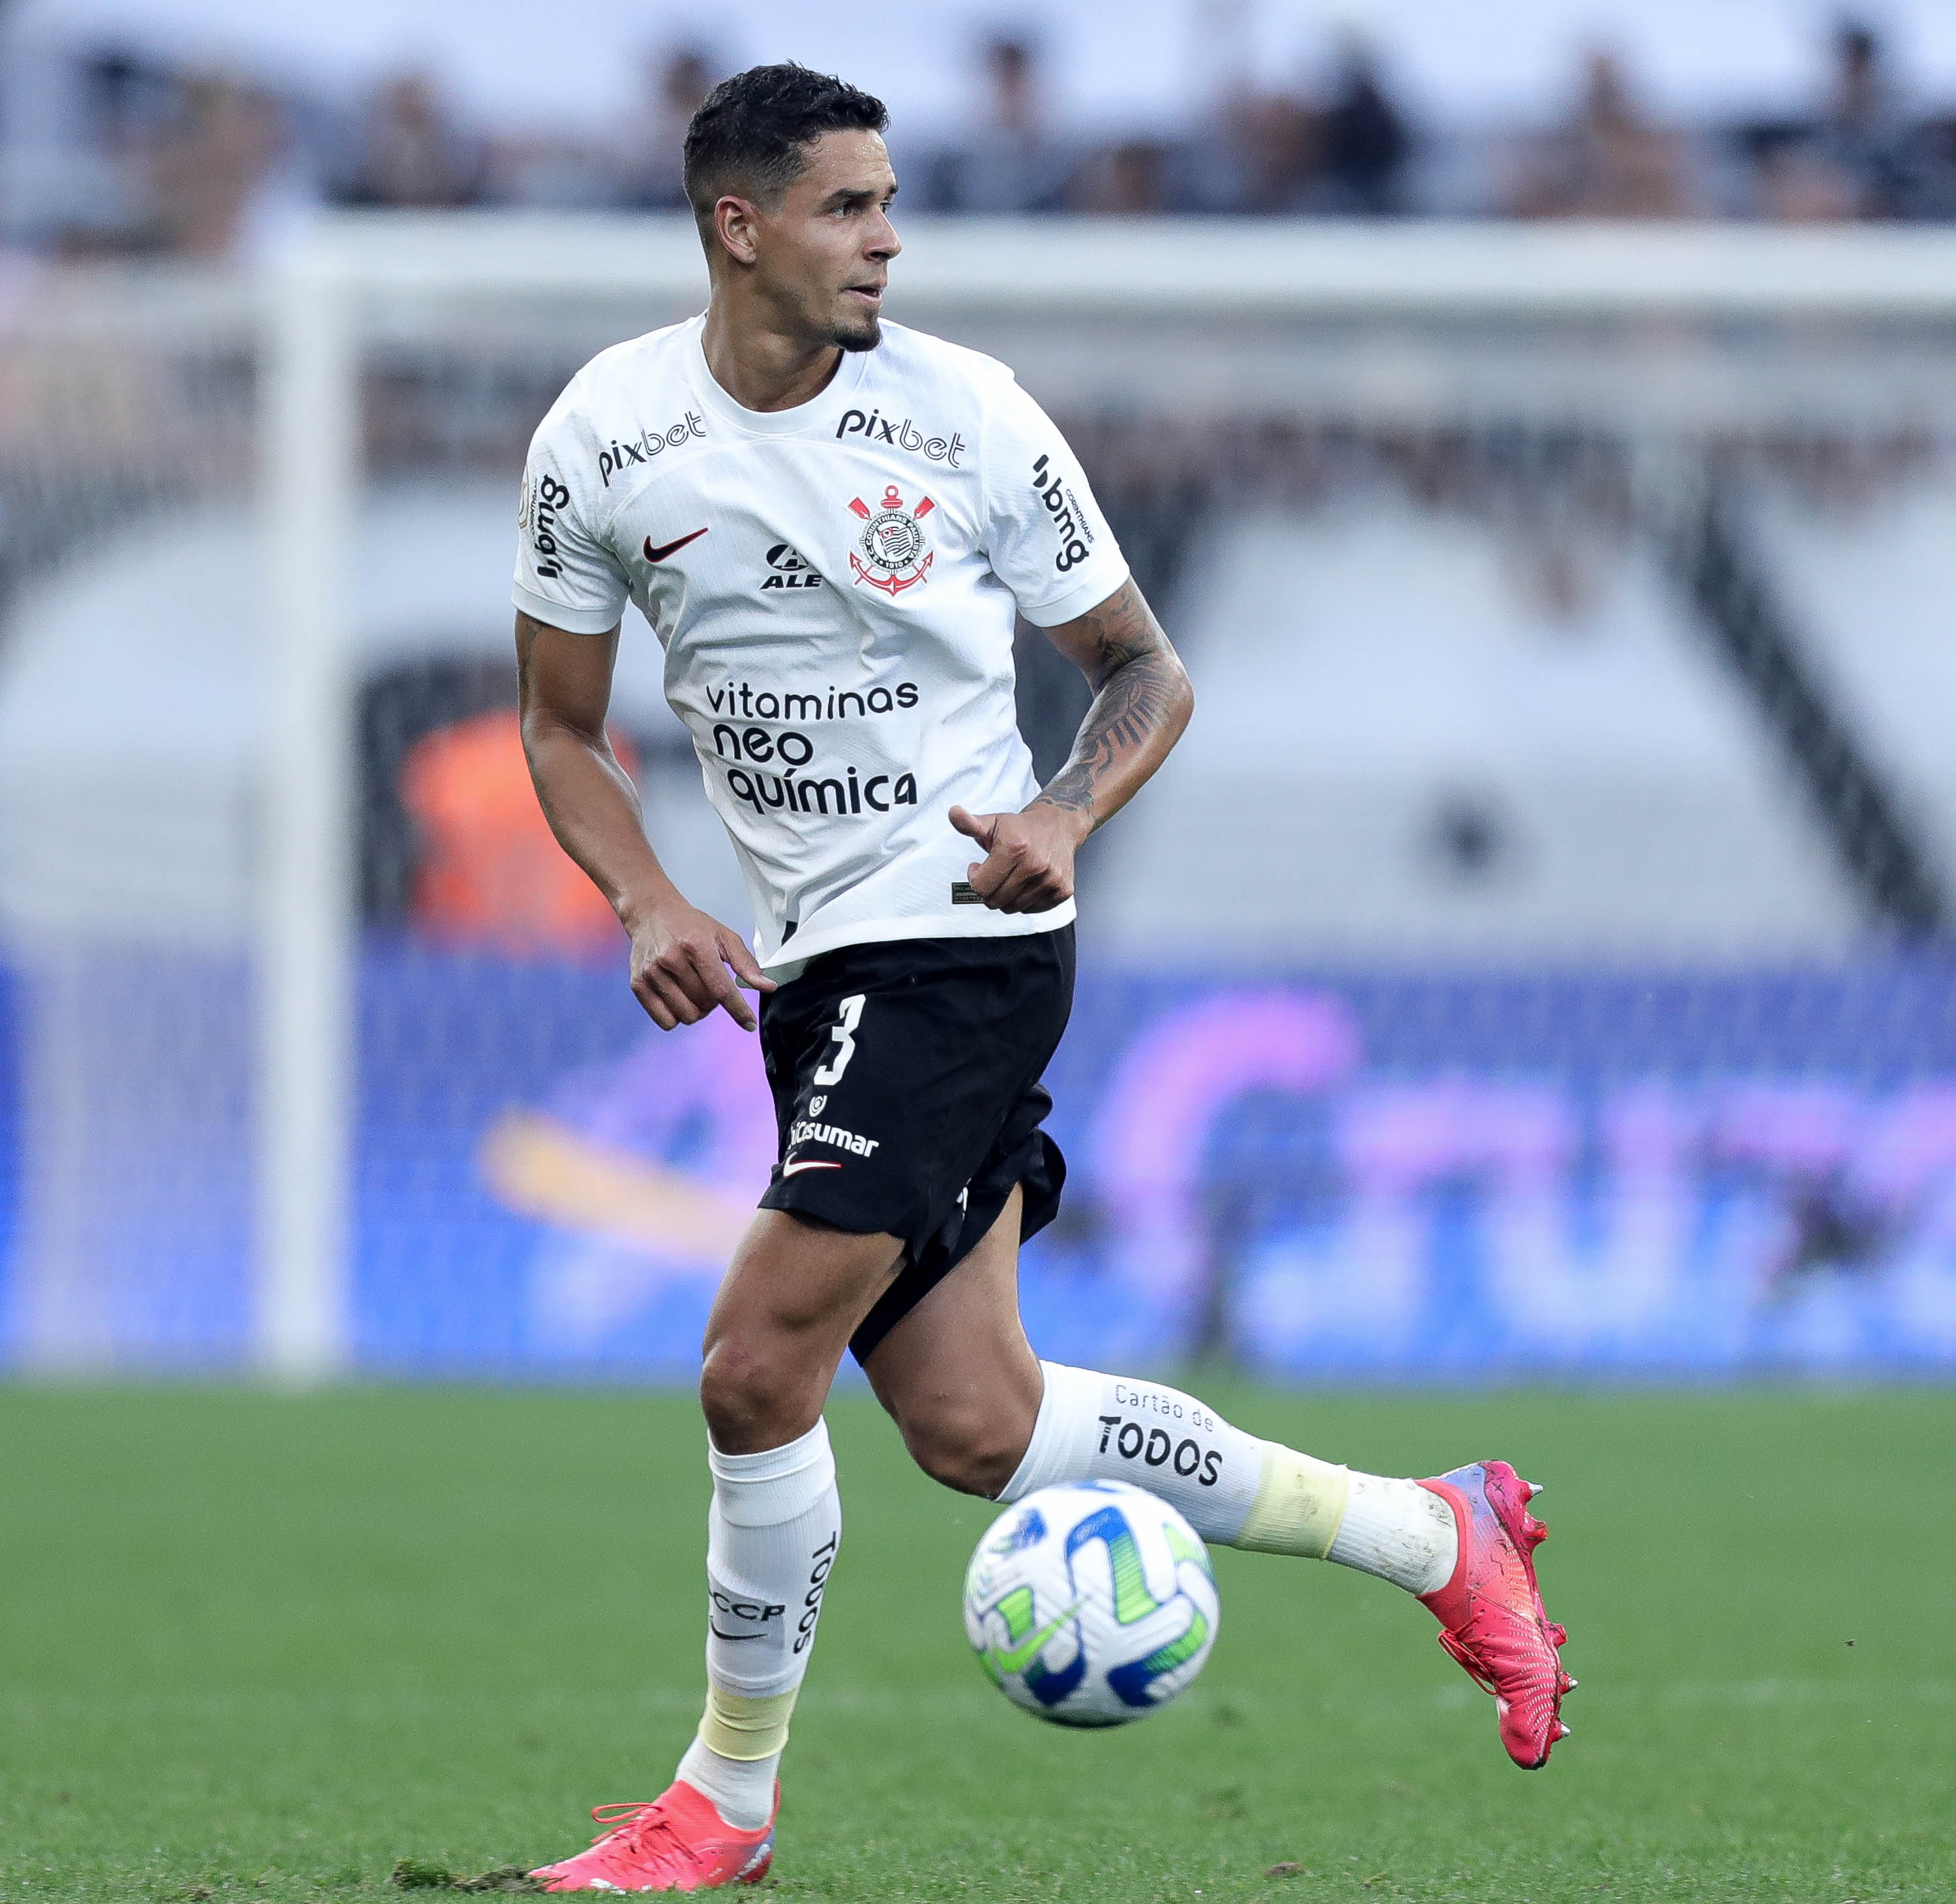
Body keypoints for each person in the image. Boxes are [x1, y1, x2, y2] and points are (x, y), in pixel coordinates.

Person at [511, 62, 1572, 1894]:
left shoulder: (972, 418)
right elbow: (555, 722)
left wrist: (1073, 813)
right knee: (975, 1421)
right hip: (813, 965)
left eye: (890, 200)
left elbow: (1145, 669)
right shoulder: (604, 435)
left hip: (965, 936)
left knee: (757, 1366)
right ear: (736, 225)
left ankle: (724, 1805)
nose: (888, 237)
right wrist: (639, 895)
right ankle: (1438, 1530)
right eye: (848, 205)